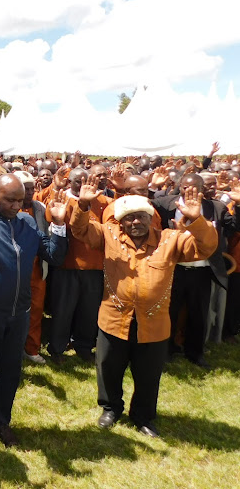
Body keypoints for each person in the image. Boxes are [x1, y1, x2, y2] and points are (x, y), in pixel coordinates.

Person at [71, 182, 217, 437]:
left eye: (141, 217)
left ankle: (143, 416)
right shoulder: (109, 235)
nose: (135, 222)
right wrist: (83, 205)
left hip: (153, 324)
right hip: (115, 319)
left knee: (148, 374)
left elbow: (204, 248)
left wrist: (197, 221)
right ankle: (111, 408)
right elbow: (80, 229)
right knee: (108, 368)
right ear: (121, 223)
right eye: (129, 218)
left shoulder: (169, 240)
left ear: (151, 219)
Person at [0, 174, 68, 448]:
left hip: (19, 313)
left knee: (10, 371)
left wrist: (58, 224)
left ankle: (1, 420)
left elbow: (53, 255)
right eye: (10, 200)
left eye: (20, 200)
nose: (17, 205)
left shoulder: (28, 223)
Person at [151, 173, 240, 369]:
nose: (189, 192)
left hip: (202, 270)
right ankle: (166, 350)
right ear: (179, 187)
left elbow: (234, 226)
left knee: (198, 314)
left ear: (202, 190)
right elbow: (142, 204)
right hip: (173, 270)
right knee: (169, 312)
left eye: (194, 189)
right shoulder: (165, 203)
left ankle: (195, 353)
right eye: (185, 187)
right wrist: (152, 186)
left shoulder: (215, 207)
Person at [47, 168, 111, 364]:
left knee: (89, 311)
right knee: (63, 311)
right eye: (78, 182)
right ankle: (57, 349)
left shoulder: (102, 202)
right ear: (69, 183)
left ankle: (84, 346)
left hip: (94, 267)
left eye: (87, 182)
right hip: (68, 266)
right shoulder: (61, 200)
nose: (83, 186)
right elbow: (51, 219)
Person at [15, 171, 51, 364]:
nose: (29, 193)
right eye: (24, 189)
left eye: (31, 189)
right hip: (14, 269)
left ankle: (31, 348)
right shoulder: (9, 208)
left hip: (37, 269)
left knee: (36, 310)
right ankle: (13, 348)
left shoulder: (39, 207)